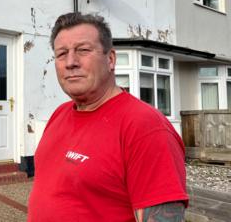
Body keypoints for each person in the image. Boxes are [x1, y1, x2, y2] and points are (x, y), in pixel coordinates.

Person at [27, 12, 188, 222]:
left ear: (110, 59)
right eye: (61, 53)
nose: (70, 62)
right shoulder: (60, 114)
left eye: (83, 50)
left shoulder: (145, 127)